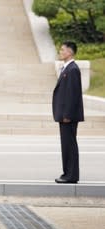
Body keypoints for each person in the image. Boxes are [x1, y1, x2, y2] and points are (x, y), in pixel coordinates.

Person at [53, 41, 84, 184]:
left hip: (68, 117)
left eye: (63, 50)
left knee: (69, 145)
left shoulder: (72, 69)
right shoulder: (67, 68)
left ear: (70, 52)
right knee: (66, 145)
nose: (60, 52)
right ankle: (68, 174)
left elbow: (73, 95)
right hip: (64, 115)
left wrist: (67, 115)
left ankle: (70, 175)